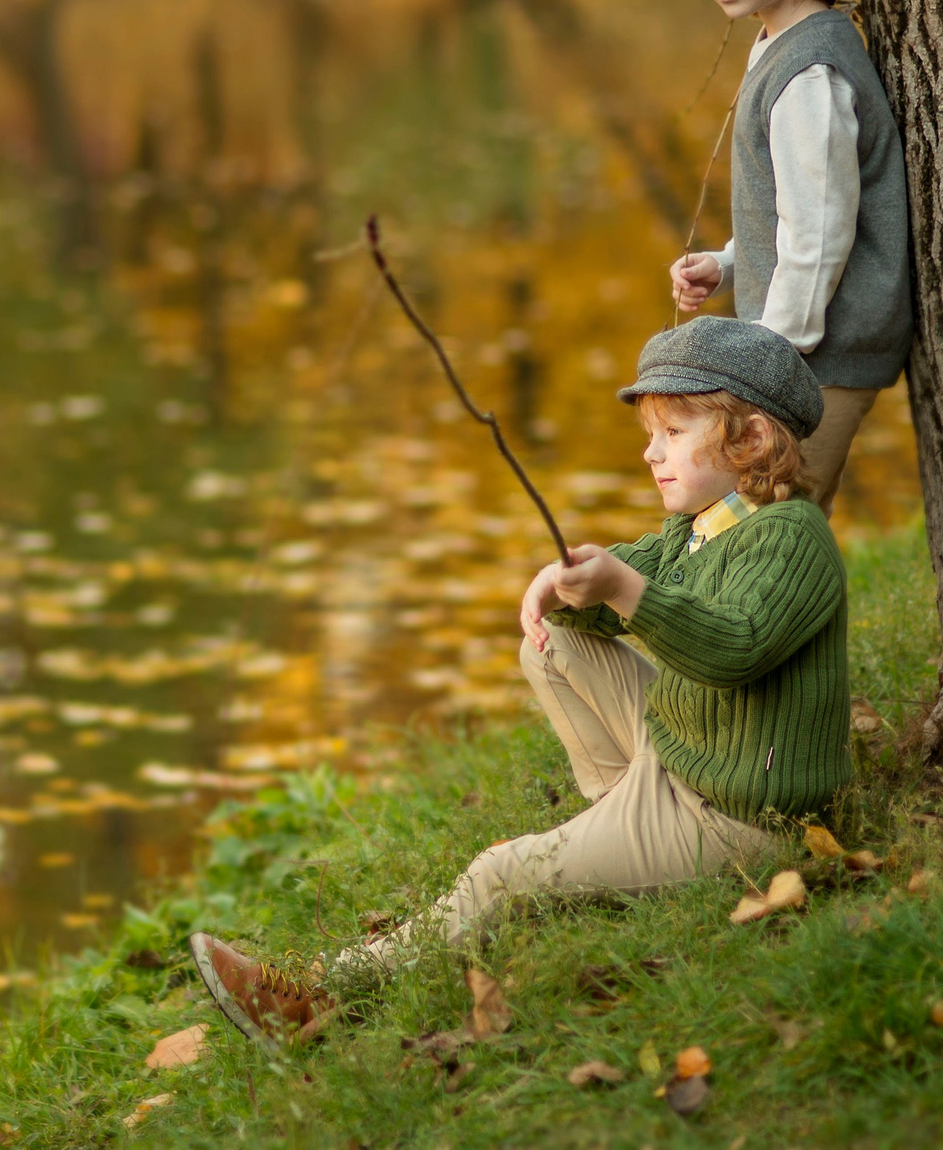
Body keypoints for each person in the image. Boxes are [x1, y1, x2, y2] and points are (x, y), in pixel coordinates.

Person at [188, 317, 852, 1045]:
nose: (649, 451)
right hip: (686, 759)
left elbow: (735, 646)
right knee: (554, 647)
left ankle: (313, 994)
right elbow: (632, 586)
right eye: (651, 433)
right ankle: (613, 824)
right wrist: (569, 587)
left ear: (750, 440)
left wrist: (626, 589)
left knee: (502, 871)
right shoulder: (702, 524)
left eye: (674, 431)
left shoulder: (791, 536)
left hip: (740, 818)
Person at [655, 0, 911, 515]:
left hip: (814, 362)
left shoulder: (810, 78)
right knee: (756, 529)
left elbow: (821, 236)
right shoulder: (780, 44)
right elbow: (797, 209)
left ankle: (787, 629)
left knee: (772, 533)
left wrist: (770, 364)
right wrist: (731, 263)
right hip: (798, 353)